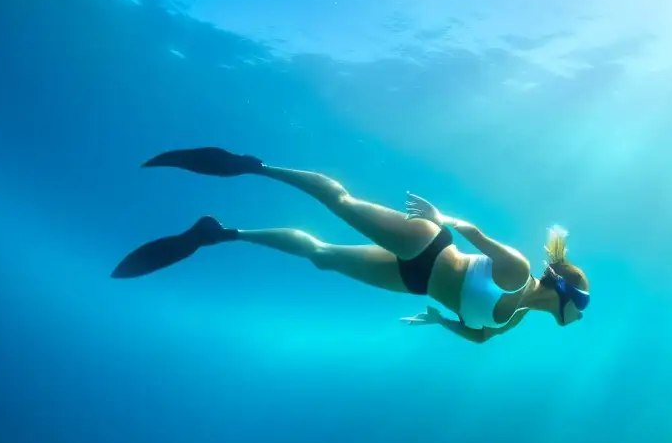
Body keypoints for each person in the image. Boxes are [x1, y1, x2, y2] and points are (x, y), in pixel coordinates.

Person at [111, 147, 590, 342]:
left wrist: (439, 319)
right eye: (582, 304)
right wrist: (439, 217)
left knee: (321, 257)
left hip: (415, 282)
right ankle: (256, 168)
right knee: (340, 203)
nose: (580, 314)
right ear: (564, 292)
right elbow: (476, 234)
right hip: (431, 246)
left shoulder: (517, 318)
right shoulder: (520, 271)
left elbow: (480, 337)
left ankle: (219, 234)